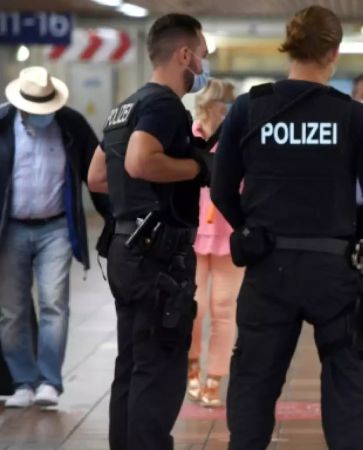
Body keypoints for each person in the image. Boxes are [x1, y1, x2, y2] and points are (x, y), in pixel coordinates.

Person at [210, 6, 363, 449]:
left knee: (254, 382)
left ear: (290, 46)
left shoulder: (250, 108)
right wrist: (358, 242)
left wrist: (250, 229)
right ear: (334, 52)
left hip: (268, 266)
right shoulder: (354, 117)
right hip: (335, 269)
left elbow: (219, 188)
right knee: (347, 387)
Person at [87, 13, 211, 450]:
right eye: (202, 54)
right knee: (159, 367)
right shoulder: (163, 105)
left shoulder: (127, 105)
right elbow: (140, 161)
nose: (203, 64)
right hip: (160, 255)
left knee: (133, 363)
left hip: (125, 248)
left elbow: (98, 176)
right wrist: (196, 166)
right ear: (184, 54)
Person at [0, 66, 110, 408]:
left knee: (54, 304)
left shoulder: (71, 124)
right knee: (12, 310)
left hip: (56, 228)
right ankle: (22, 381)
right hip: (11, 228)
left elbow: (97, 171)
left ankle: (49, 381)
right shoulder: (2, 125)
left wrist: (113, 218)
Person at [186, 78, 241, 408]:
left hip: (228, 234)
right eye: (225, 106)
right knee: (193, 308)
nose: (230, 112)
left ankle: (215, 377)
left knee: (223, 310)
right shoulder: (187, 137)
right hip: (191, 234)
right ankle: (191, 364)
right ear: (210, 106)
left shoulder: (237, 141)